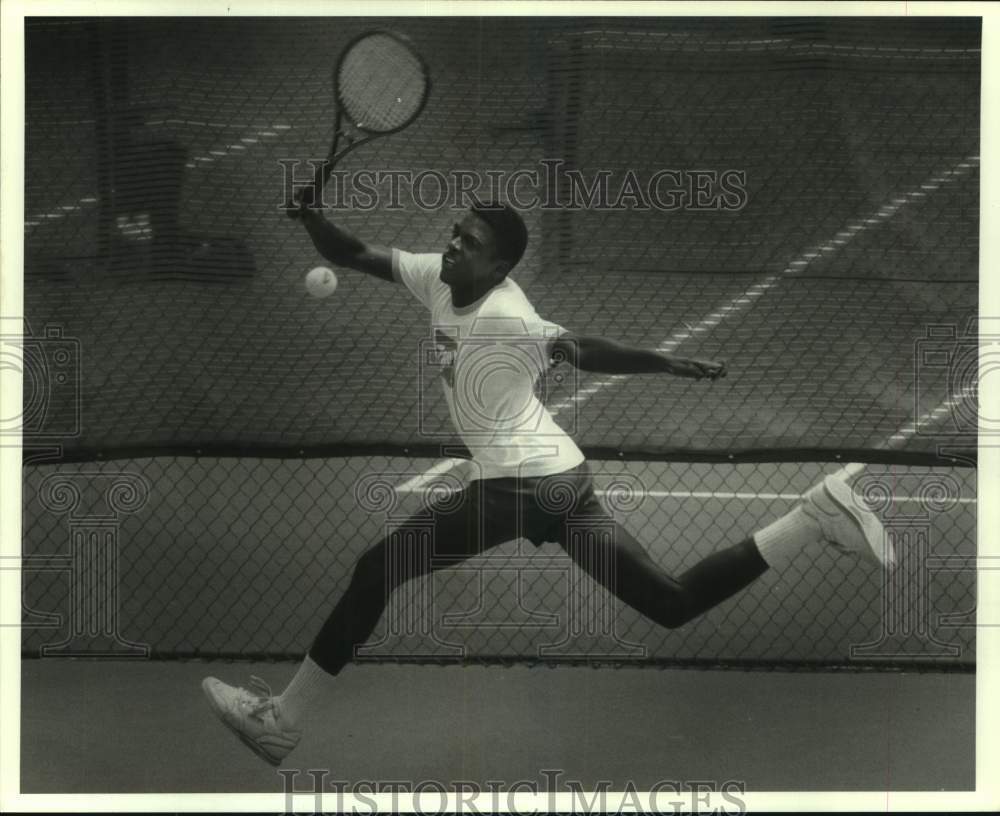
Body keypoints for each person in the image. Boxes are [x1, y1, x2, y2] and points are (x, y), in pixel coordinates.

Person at [202, 198, 894, 766]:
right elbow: (351, 254)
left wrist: (666, 364)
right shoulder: (436, 278)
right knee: (670, 602)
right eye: (453, 233)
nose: (452, 244)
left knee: (377, 569)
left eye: (467, 242)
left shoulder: (508, 315)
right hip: (559, 479)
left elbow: (580, 348)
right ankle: (813, 515)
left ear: (499, 264)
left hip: (519, 487)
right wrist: (312, 216)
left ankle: (281, 720)